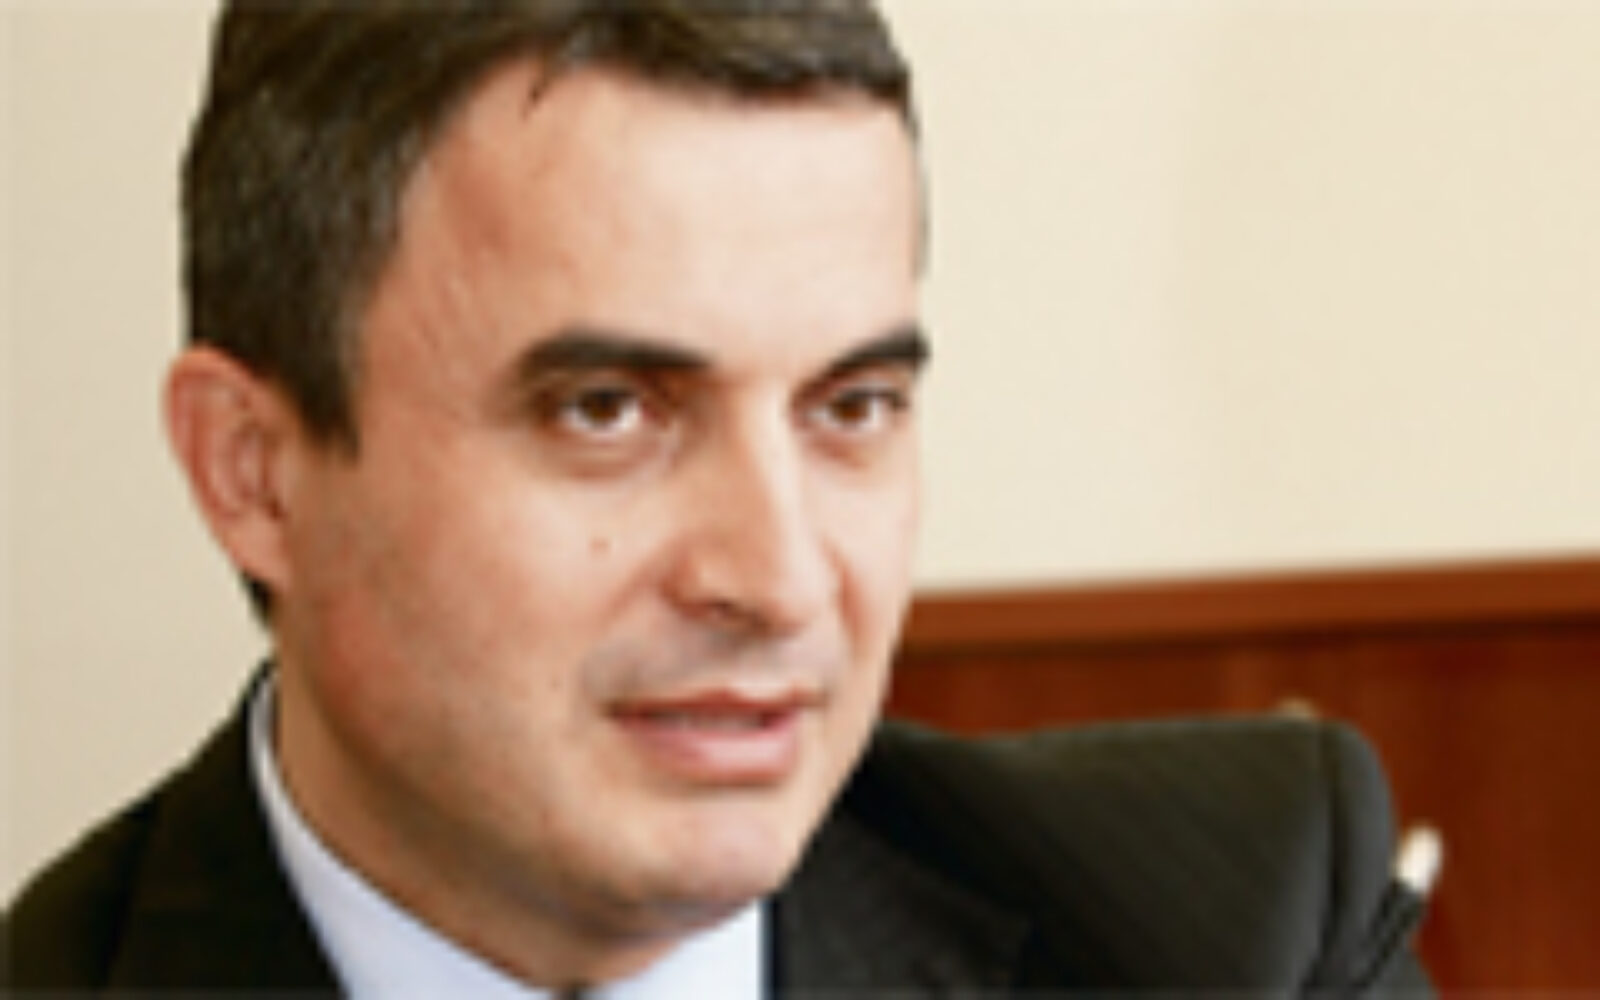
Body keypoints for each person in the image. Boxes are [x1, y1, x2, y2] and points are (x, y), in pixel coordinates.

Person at [2, 1, 1432, 994]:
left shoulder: (1226, 934)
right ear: (253, 472)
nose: (782, 579)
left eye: (851, 408)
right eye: (606, 411)